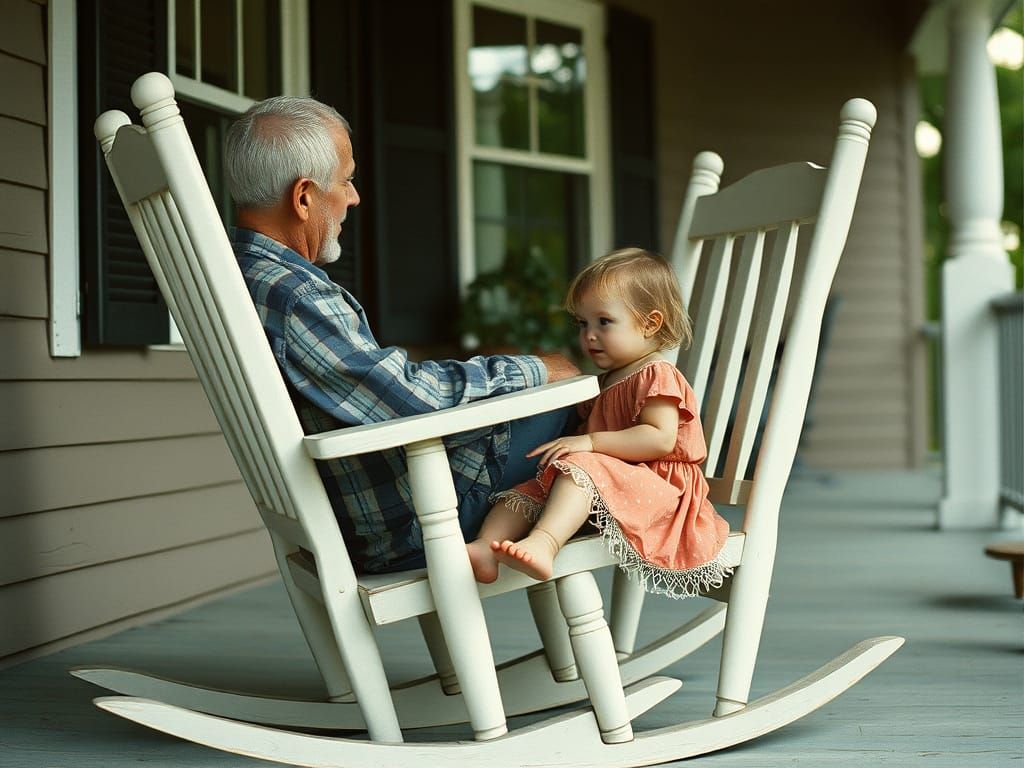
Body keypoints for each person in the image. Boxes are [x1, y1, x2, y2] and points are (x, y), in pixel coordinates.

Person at [222, 95, 579, 573]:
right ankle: (674, 530)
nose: (354, 197)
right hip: (406, 524)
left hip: (357, 513)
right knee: (584, 409)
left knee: (584, 438)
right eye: (346, 181)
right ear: (304, 197)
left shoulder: (239, 275)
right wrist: (538, 369)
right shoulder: (294, 296)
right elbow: (411, 398)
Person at [466, 248, 732, 598]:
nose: (589, 335)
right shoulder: (606, 381)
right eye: (582, 323)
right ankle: (486, 545)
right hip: (603, 483)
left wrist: (590, 443)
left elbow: (660, 439)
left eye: (604, 322)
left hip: (659, 488)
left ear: (650, 323)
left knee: (579, 469)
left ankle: (544, 543)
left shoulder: (657, 374)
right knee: (527, 488)